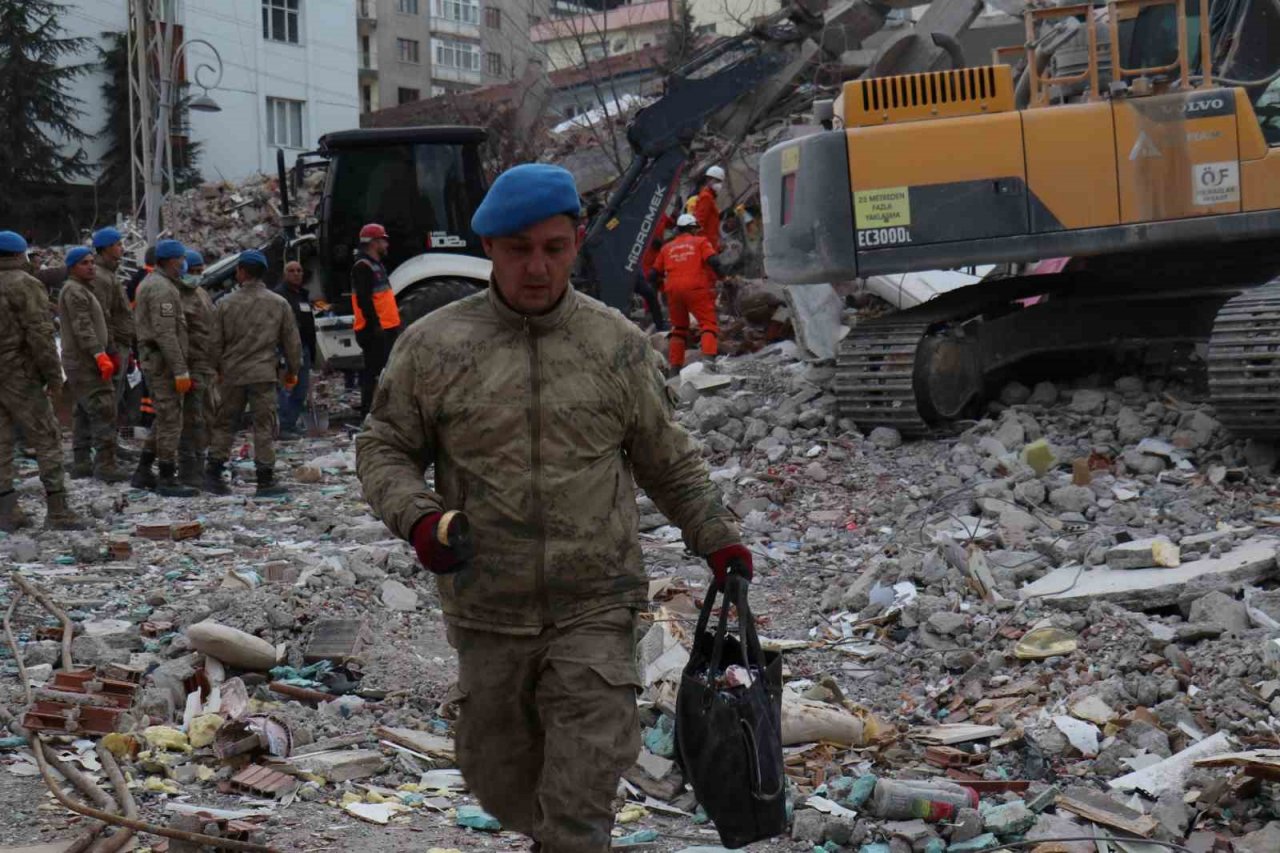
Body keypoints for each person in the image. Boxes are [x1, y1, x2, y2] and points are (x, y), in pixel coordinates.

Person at [355, 163, 751, 852]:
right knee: (500, 779)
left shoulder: (616, 346)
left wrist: (717, 536)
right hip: (488, 608)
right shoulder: (435, 346)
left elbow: (667, 458)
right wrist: (419, 518)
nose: (537, 266)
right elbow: (383, 446)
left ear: (575, 243)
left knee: (580, 803)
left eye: (554, 247)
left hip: (595, 604)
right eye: (518, 249)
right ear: (490, 249)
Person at [0, 231, 85, 530]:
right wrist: (53, 376)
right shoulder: (26, 284)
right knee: (47, 437)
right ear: (20, 254)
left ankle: (6, 511)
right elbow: (41, 335)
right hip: (20, 374)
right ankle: (58, 510)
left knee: (2, 440)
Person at [204, 250, 302, 497]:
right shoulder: (279, 303)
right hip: (263, 375)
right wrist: (293, 370)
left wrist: (216, 370)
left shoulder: (225, 304)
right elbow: (292, 342)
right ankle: (265, 480)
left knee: (225, 424)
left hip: (233, 375)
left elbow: (214, 343)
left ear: (242, 272)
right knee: (264, 426)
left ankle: (213, 474)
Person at [131, 239, 198, 497]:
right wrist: (180, 369)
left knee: (163, 417)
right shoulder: (161, 289)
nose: (184, 264)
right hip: (163, 363)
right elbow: (165, 333)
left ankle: (144, 469)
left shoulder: (158, 284)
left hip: (158, 360)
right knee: (171, 419)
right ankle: (167, 477)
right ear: (172, 260)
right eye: (181, 259)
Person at [59, 247, 128, 484]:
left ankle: (82, 462)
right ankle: (105, 464)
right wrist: (99, 354)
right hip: (86, 362)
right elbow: (83, 327)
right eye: (84, 263)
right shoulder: (75, 292)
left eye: (91, 262)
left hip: (83, 361)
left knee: (83, 411)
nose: (90, 267)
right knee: (103, 408)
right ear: (72, 268)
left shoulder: (82, 289)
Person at [650, 213, 725, 375]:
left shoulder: (666, 248)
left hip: (673, 291)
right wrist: (723, 277)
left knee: (679, 329)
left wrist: (663, 288)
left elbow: (653, 275)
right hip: (696, 288)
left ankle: (674, 370)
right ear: (692, 228)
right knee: (708, 325)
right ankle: (709, 366)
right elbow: (714, 261)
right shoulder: (700, 242)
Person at [176, 249, 218, 489]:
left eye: (200, 272)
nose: (197, 276)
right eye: (193, 272)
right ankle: (188, 467)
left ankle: (200, 461)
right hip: (190, 364)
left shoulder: (201, 293)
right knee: (191, 419)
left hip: (206, 364)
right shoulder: (179, 296)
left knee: (207, 416)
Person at [351, 223, 402, 418]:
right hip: (373, 330)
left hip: (385, 327)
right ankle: (368, 413)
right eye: (383, 240)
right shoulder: (362, 266)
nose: (386, 244)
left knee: (382, 372)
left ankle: (380, 411)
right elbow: (364, 301)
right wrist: (376, 326)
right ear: (373, 242)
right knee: (374, 373)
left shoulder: (374, 264)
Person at [274, 260, 316, 438]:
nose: (296, 274)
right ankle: (283, 427)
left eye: (299, 270)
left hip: (303, 349)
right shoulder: (279, 296)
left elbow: (308, 325)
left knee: (301, 389)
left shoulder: (303, 295)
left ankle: (290, 424)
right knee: (285, 389)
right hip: (285, 350)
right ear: (285, 274)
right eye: (291, 271)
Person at [691, 164, 725, 253]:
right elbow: (699, 222)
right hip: (706, 244)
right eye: (717, 181)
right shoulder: (706, 197)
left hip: (709, 243)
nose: (719, 184)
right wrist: (702, 245)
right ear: (709, 180)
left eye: (720, 181)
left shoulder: (710, 197)